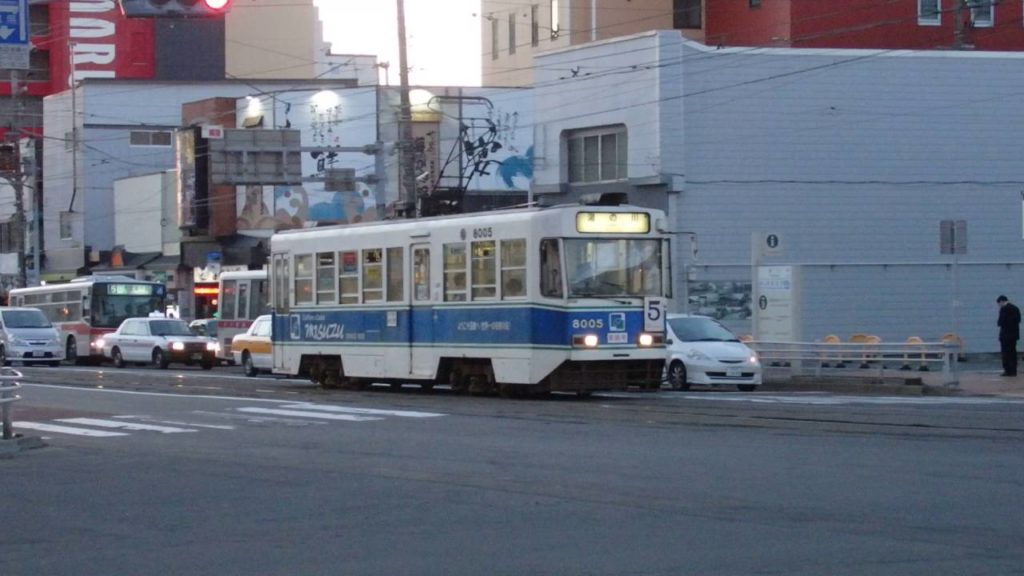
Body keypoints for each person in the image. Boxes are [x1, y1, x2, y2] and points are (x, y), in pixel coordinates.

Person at [996, 295, 1021, 376]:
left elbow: (1000, 322)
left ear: (1001, 301)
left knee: (1006, 353)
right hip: (1014, 335)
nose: (999, 305)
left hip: (1005, 335)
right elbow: (1018, 320)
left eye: (999, 303)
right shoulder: (1015, 308)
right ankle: (1013, 370)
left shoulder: (1004, 309)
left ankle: (1007, 370)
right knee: (1013, 353)